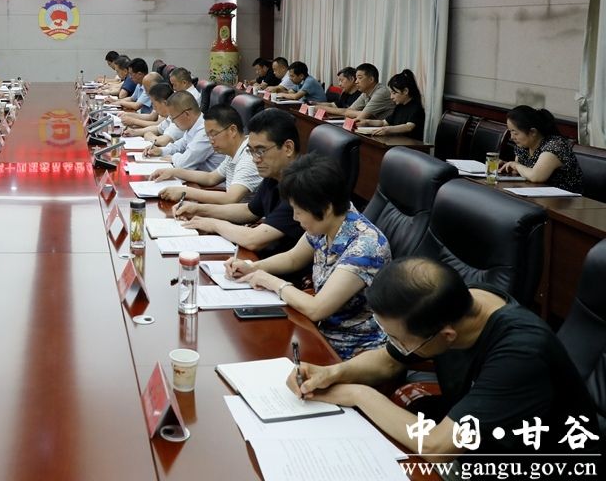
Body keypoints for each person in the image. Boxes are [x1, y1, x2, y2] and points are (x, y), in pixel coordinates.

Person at [289, 257, 601, 456]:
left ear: (446, 336)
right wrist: (333, 373)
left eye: (398, 338)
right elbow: (389, 359)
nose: (394, 343)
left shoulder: (521, 354)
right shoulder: (455, 302)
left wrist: (357, 394)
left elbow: (438, 447)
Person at [224, 154, 391, 359]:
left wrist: (271, 281)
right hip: (318, 333)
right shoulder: (330, 222)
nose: (295, 218)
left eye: (299, 211)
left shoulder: (365, 247)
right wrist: (252, 267)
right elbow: (293, 258)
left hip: (351, 352)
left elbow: (316, 308)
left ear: (326, 209)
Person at [176, 109, 304, 256]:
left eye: (261, 151)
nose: (255, 159)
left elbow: (254, 239)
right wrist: (198, 209)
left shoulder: (301, 186)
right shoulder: (274, 174)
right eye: (251, 151)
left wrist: (213, 224)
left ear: (288, 148)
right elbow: (250, 211)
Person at [151, 104, 261, 204]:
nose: (211, 141)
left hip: (238, 217)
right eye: (208, 136)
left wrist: (185, 192)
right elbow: (211, 178)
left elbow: (230, 198)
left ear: (232, 130)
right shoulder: (233, 151)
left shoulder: (249, 156)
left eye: (214, 134)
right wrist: (173, 172)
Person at [500, 106, 583, 192]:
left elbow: (535, 177)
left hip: (565, 198)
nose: (511, 137)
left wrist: (515, 165)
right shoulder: (524, 146)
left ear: (533, 132)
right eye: (510, 131)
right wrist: (506, 166)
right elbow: (521, 172)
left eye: (515, 133)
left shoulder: (555, 146)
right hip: (536, 193)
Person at [143, 90, 223, 171]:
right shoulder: (193, 126)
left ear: (186, 114)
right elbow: (179, 146)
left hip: (208, 177)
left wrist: (173, 158)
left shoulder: (205, 131)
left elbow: (184, 164)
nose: (172, 122)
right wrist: (160, 151)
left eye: (173, 117)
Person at [356, 69, 426, 139]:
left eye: (394, 93)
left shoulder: (416, 108)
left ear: (405, 91)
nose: (391, 97)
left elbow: (408, 127)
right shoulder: (399, 107)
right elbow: (384, 123)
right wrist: (367, 122)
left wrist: (387, 129)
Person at [325, 63, 394, 121]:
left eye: (360, 78)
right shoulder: (365, 92)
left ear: (371, 79)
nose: (356, 82)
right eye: (356, 78)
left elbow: (361, 117)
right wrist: (357, 113)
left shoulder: (381, 93)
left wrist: (322, 108)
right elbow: (348, 111)